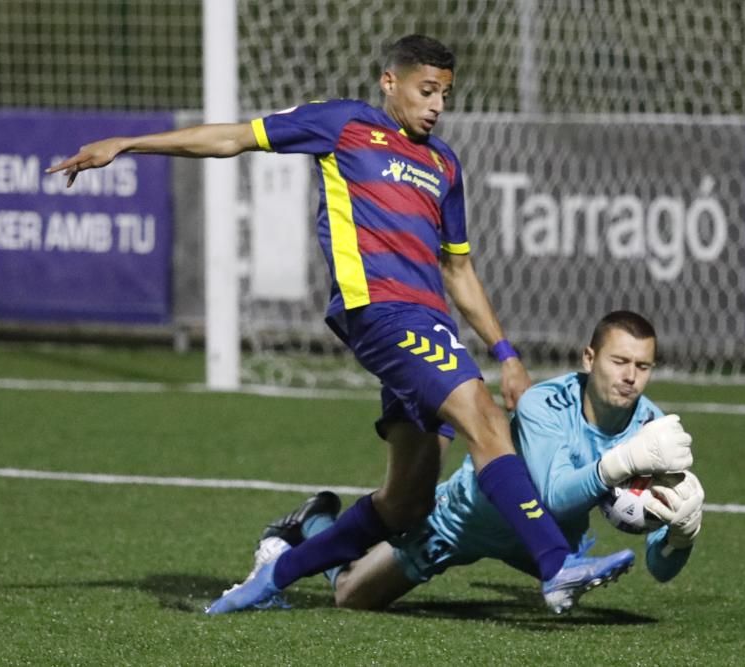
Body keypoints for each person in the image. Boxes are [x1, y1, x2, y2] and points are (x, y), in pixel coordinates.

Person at [47, 36, 693, 615]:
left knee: (408, 502)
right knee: (486, 422)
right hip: (381, 311)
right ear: (390, 82)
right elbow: (232, 138)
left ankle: (276, 575)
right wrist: (128, 143)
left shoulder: (444, 166)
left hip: (428, 323)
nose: (437, 105)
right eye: (426, 90)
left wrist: (505, 350)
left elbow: (458, 271)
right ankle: (557, 563)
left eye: (446, 93)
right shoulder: (343, 124)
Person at [213, 311, 704, 611]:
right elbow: (551, 496)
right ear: (589, 358)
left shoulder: (653, 428)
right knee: (351, 595)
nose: (631, 378)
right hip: (465, 520)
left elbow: (658, 569)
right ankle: (314, 523)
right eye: (620, 362)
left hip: (546, 545)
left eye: (643, 366)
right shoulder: (543, 403)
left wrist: (679, 538)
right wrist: (619, 464)